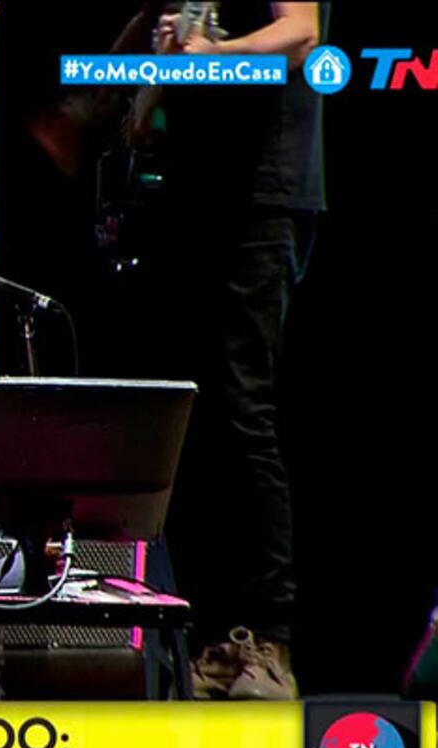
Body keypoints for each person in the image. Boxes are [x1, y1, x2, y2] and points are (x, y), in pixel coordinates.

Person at [141, 2, 323, 699]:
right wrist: (171, 61)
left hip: (261, 192)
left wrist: (211, 55)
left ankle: (269, 640)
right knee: (196, 420)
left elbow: (301, 32)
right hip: (202, 189)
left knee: (245, 411)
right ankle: (219, 637)